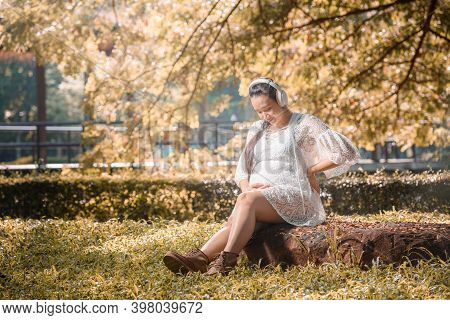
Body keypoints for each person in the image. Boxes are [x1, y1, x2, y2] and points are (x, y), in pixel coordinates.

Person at [163, 77, 361, 276]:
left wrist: (310, 170)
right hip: (263, 199)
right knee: (244, 215)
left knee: (246, 204)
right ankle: (199, 260)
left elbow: (345, 152)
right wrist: (248, 192)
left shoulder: (304, 123)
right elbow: (243, 170)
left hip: (299, 196)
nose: (264, 115)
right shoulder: (257, 129)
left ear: (281, 99)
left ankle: (225, 262)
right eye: (259, 111)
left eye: (268, 109)